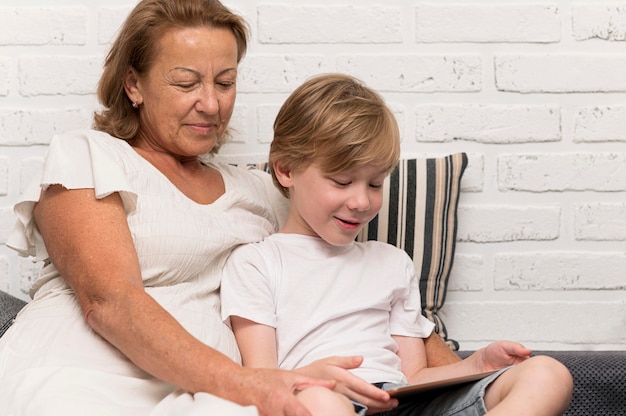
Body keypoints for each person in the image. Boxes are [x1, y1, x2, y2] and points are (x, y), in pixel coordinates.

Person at [0, 1, 466, 415]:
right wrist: (251, 383)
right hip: (84, 375)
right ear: (133, 85)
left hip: (210, 395)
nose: (210, 103)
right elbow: (110, 302)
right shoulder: (89, 155)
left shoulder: (263, 191)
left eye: (225, 82)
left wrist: (466, 375)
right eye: (186, 82)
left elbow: (363, 288)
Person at [221, 73, 574, 415]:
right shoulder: (257, 263)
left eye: (375, 184)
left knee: (548, 374)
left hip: (405, 402)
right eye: (342, 181)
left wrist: (478, 363)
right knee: (320, 403)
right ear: (285, 170)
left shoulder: (391, 262)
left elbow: (415, 376)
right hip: (326, 399)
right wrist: (307, 380)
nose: (362, 201)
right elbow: (261, 381)